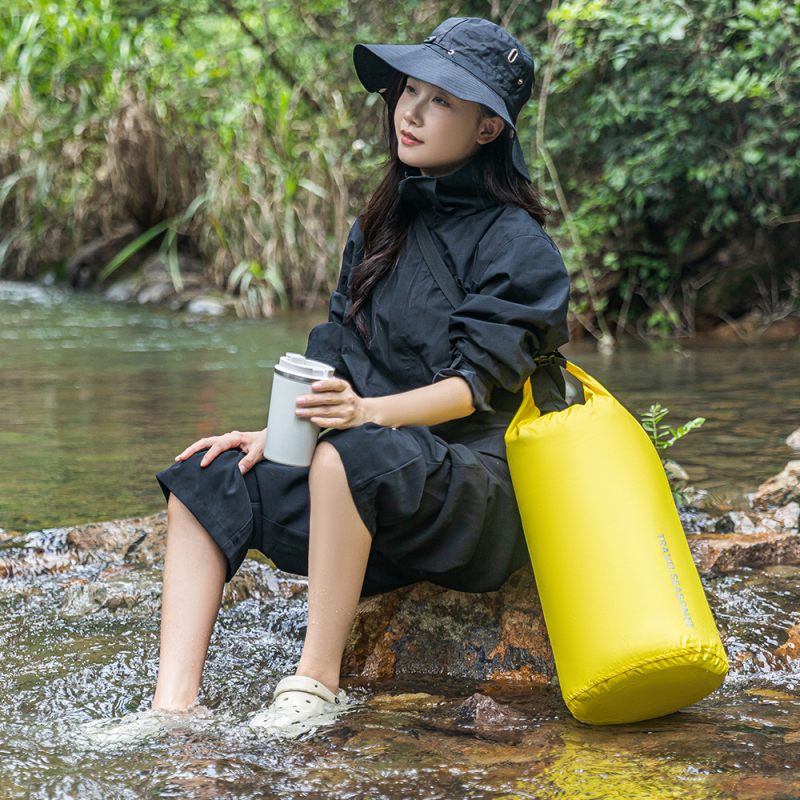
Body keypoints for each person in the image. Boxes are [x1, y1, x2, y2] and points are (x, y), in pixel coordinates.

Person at [152, 16, 570, 736]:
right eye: (410, 90)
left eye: (441, 100)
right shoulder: (381, 222)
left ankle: (315, 685)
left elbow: (473, 389)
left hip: (467, 496)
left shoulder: (519, 245)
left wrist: (364, 417)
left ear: (487, 129)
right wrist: (272, 433)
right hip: (361, 484)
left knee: (348, 453)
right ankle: (171, 710)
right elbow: (336, 354)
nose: (410, 110)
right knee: (208, 472)